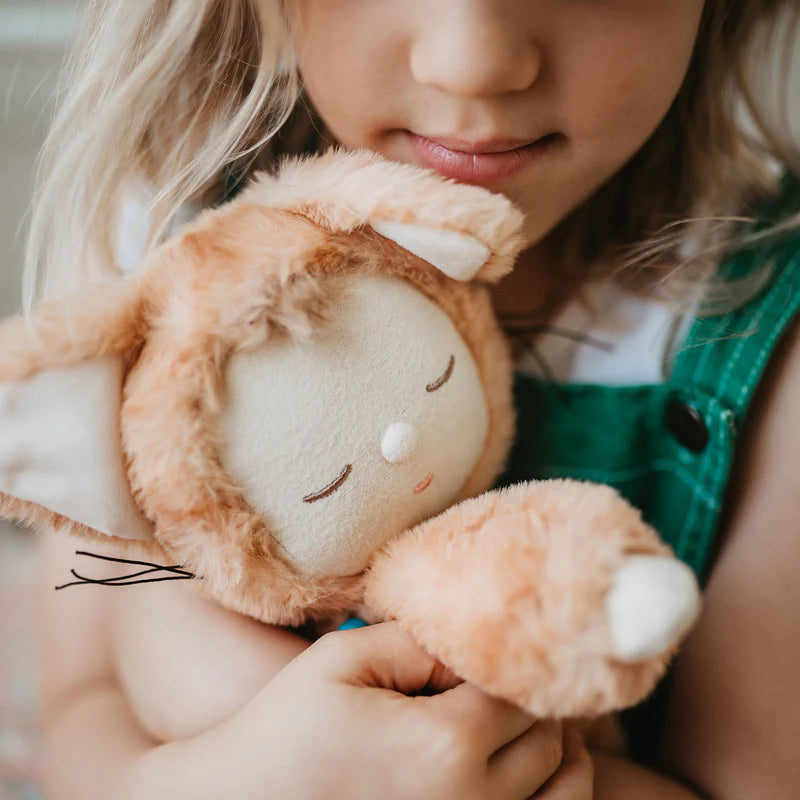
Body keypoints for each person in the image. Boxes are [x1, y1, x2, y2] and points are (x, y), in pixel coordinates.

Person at [26, 1, 800, 798]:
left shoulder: (773, 342)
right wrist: (233, 779)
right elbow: (82, 707)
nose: (473, 63)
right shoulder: (172, 223)